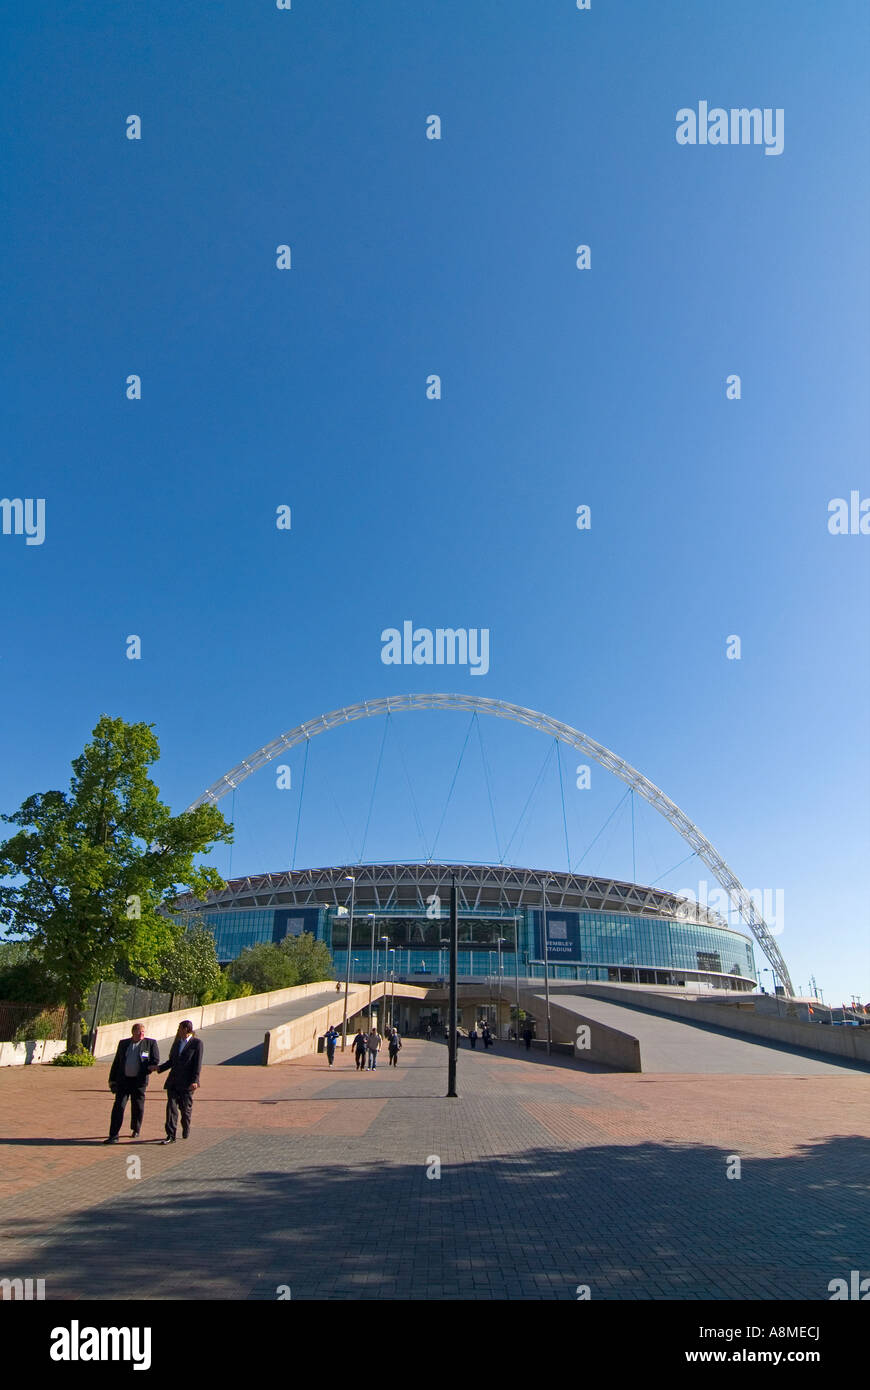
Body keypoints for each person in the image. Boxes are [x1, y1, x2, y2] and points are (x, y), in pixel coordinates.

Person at [104, 1023, 159, 1143]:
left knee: (137, 1106)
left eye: (143, 1032)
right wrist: (112, 1080)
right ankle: (113, 1135)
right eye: (139, 1032)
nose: (141, 1034)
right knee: (119, 1106)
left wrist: (150, 1068)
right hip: (124, 1081)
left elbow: (155, 1060)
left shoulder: (150, 1044)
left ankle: (136, 1128)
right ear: (133, 1032)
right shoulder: (124, 1044)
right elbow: (117, 1063)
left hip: (139, 1082)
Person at [157, 1020, 203, 1143]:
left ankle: (186, 1127)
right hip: (173, 1081)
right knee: (171, 1108)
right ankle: (170, 1135)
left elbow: (197, 1064)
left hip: (187, 1083)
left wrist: (195, 1081)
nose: (178, 1031)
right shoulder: (177, 1043)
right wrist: (159, 1068)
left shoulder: (196, 1043)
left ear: (186, 1029)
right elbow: (172, 1061)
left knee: (185, 1109)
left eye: (180, 1028)